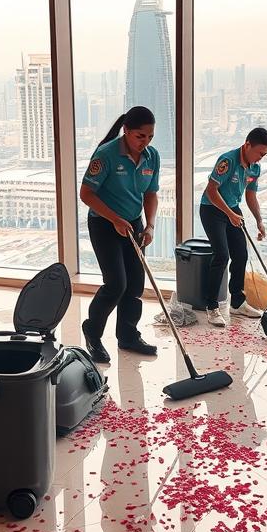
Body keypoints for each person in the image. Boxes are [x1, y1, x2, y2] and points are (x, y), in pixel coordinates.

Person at [79, 106, 160, 364]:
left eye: (149, 137)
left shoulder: (151, 157)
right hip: (105, 224)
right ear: (126, 131)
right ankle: (93, 332)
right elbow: (86, 194)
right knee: (116, 284)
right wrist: (114, 219)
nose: (144, 142)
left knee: (135, 284)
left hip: (133, 224)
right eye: (139, 136)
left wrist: (150, 226)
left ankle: (128, 336)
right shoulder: (106, 155)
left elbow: (151, 194)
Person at [199, 127, 267, 327]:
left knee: (241, 254)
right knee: (222, 255)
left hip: (232, 209)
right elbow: (211, 191)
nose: (261, 158)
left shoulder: (254, 168)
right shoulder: (228, 160)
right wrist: (230, 214)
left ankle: (237, 303)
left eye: (264, 155)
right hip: (212, 209)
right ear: (247, 145)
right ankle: (212, 306)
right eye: (259, 153)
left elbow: (250, 195)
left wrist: (259, 220)